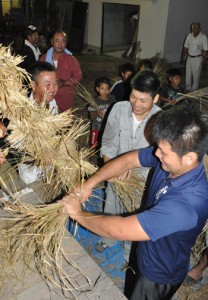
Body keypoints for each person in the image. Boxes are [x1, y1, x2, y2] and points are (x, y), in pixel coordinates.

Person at [61, 103, 208, 300]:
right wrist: (90, 183)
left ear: (189, 158)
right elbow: (129, 160)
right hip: (144, 252)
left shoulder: (187, 204)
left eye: (163, 152)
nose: (156, 154)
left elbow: (119, 230)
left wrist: (78, 214)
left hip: (157, 276)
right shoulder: (171, 159)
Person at [94, 71, 161, 269]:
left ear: (156, 98)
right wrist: (110, 164)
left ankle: (128, 254)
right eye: (133, 96)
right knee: (110, 207)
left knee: (135, 216)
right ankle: (107, 238)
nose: (136, 104)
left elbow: (158, 156)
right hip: (114, 174)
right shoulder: (118, 109)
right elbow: (108, 141)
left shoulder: (161, 119)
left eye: (143, 100)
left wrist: (132, 167)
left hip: (140, 180)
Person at [18, 61, 59, 184]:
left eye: (55, 83)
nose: (52, 89)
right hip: (30, 169)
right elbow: (18, 147)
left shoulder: (52, 103)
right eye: (47, 84)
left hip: (50, 163)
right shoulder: (21, 109)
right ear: (33, 85)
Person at [39, 30, 82, 112]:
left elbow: (78, 76)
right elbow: (38, 76)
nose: (60, 44)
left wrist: (65, 82)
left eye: (63, 41)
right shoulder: (44, 58)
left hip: (65, 99)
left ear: (66, 43)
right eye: (57, 41)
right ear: (52, 42)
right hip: (47, 97)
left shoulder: (71, 60)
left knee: (64, 122)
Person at [88, 77, 116, 150]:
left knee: (106, 144)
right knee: (94, 144)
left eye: (107, 89)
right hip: (97, 127)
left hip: (109, 127)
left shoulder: (112, 99)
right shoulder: (94, 102)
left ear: (110, 89)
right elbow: (90, 117)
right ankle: (92, 158)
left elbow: (116, 112)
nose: (104, 91)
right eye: (102, 89)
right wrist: (97, 113)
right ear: (97, 89)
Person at [182, 22, 208, 91]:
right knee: (188, 74)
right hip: (189, 58)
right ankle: (188, 89)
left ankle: (194, 91)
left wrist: (204, 60)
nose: (195, 29)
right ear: (192, 29)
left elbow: (205, 50)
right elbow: (185, 47)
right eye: (193, 28)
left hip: (198, 59)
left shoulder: (203, 37)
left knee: (195, 76)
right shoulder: (189, 36)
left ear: (199, 29)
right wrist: (183, 57)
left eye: (197, 28)